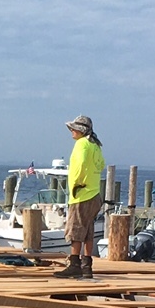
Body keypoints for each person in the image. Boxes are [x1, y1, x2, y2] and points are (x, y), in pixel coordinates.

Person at [64, 114, 105, 279]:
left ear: (81, 130)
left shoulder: (81, 144)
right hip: (94, 193)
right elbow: (101, 164)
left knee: (75, 229)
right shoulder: (95, 145)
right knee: (88, 230)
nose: (71, 131)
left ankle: (74, 264)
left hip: (81, 194)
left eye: (74, 128)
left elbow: (80, 164)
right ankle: (86, 266)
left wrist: (78, 183)